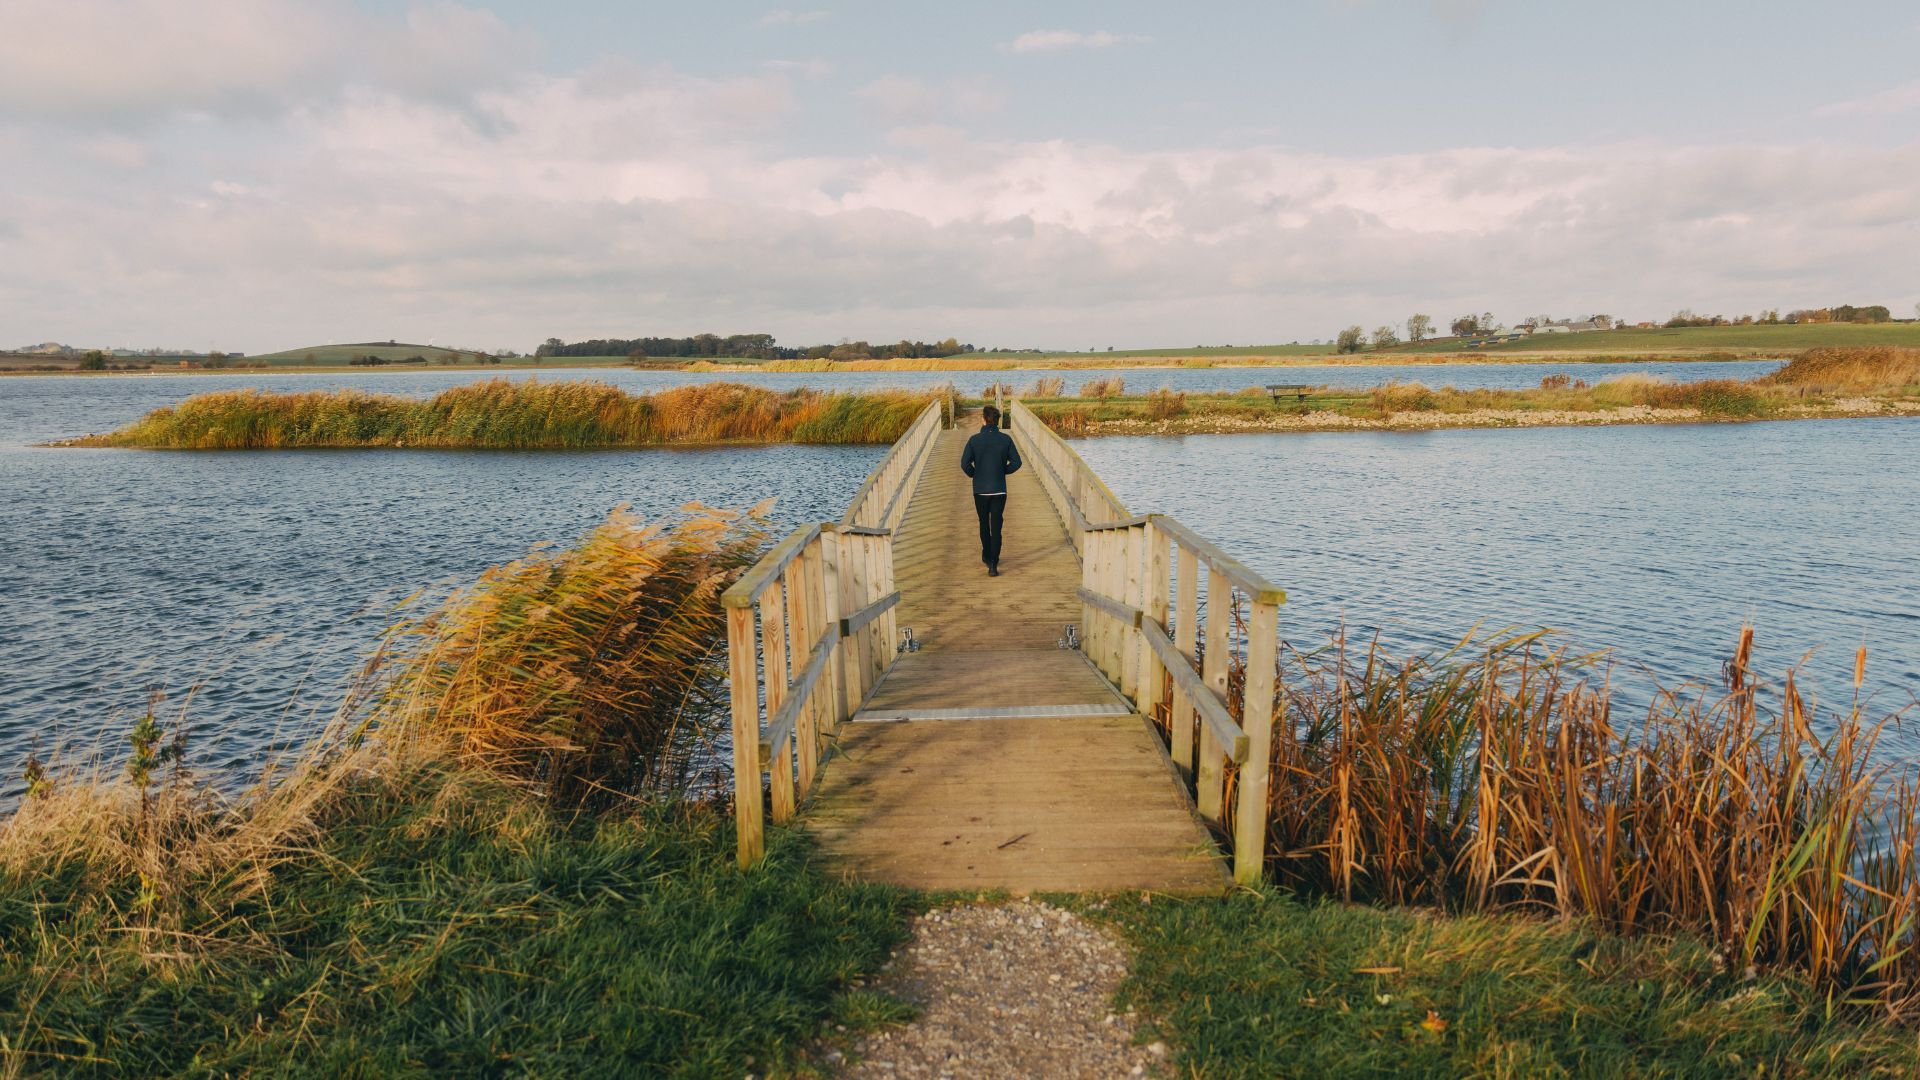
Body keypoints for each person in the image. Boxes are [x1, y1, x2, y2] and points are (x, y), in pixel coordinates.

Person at [960, 405, 1022, 576]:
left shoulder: (974, 440)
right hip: (999, 490)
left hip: (980, 490)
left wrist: (975, 474)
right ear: (997, 421)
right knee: (996, 526)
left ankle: (987, 556)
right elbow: (1017, 462)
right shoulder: (1006, 439)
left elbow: (964, 464)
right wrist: (1003, 471)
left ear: (984, 419)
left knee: (983, 523)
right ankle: (993, 564)